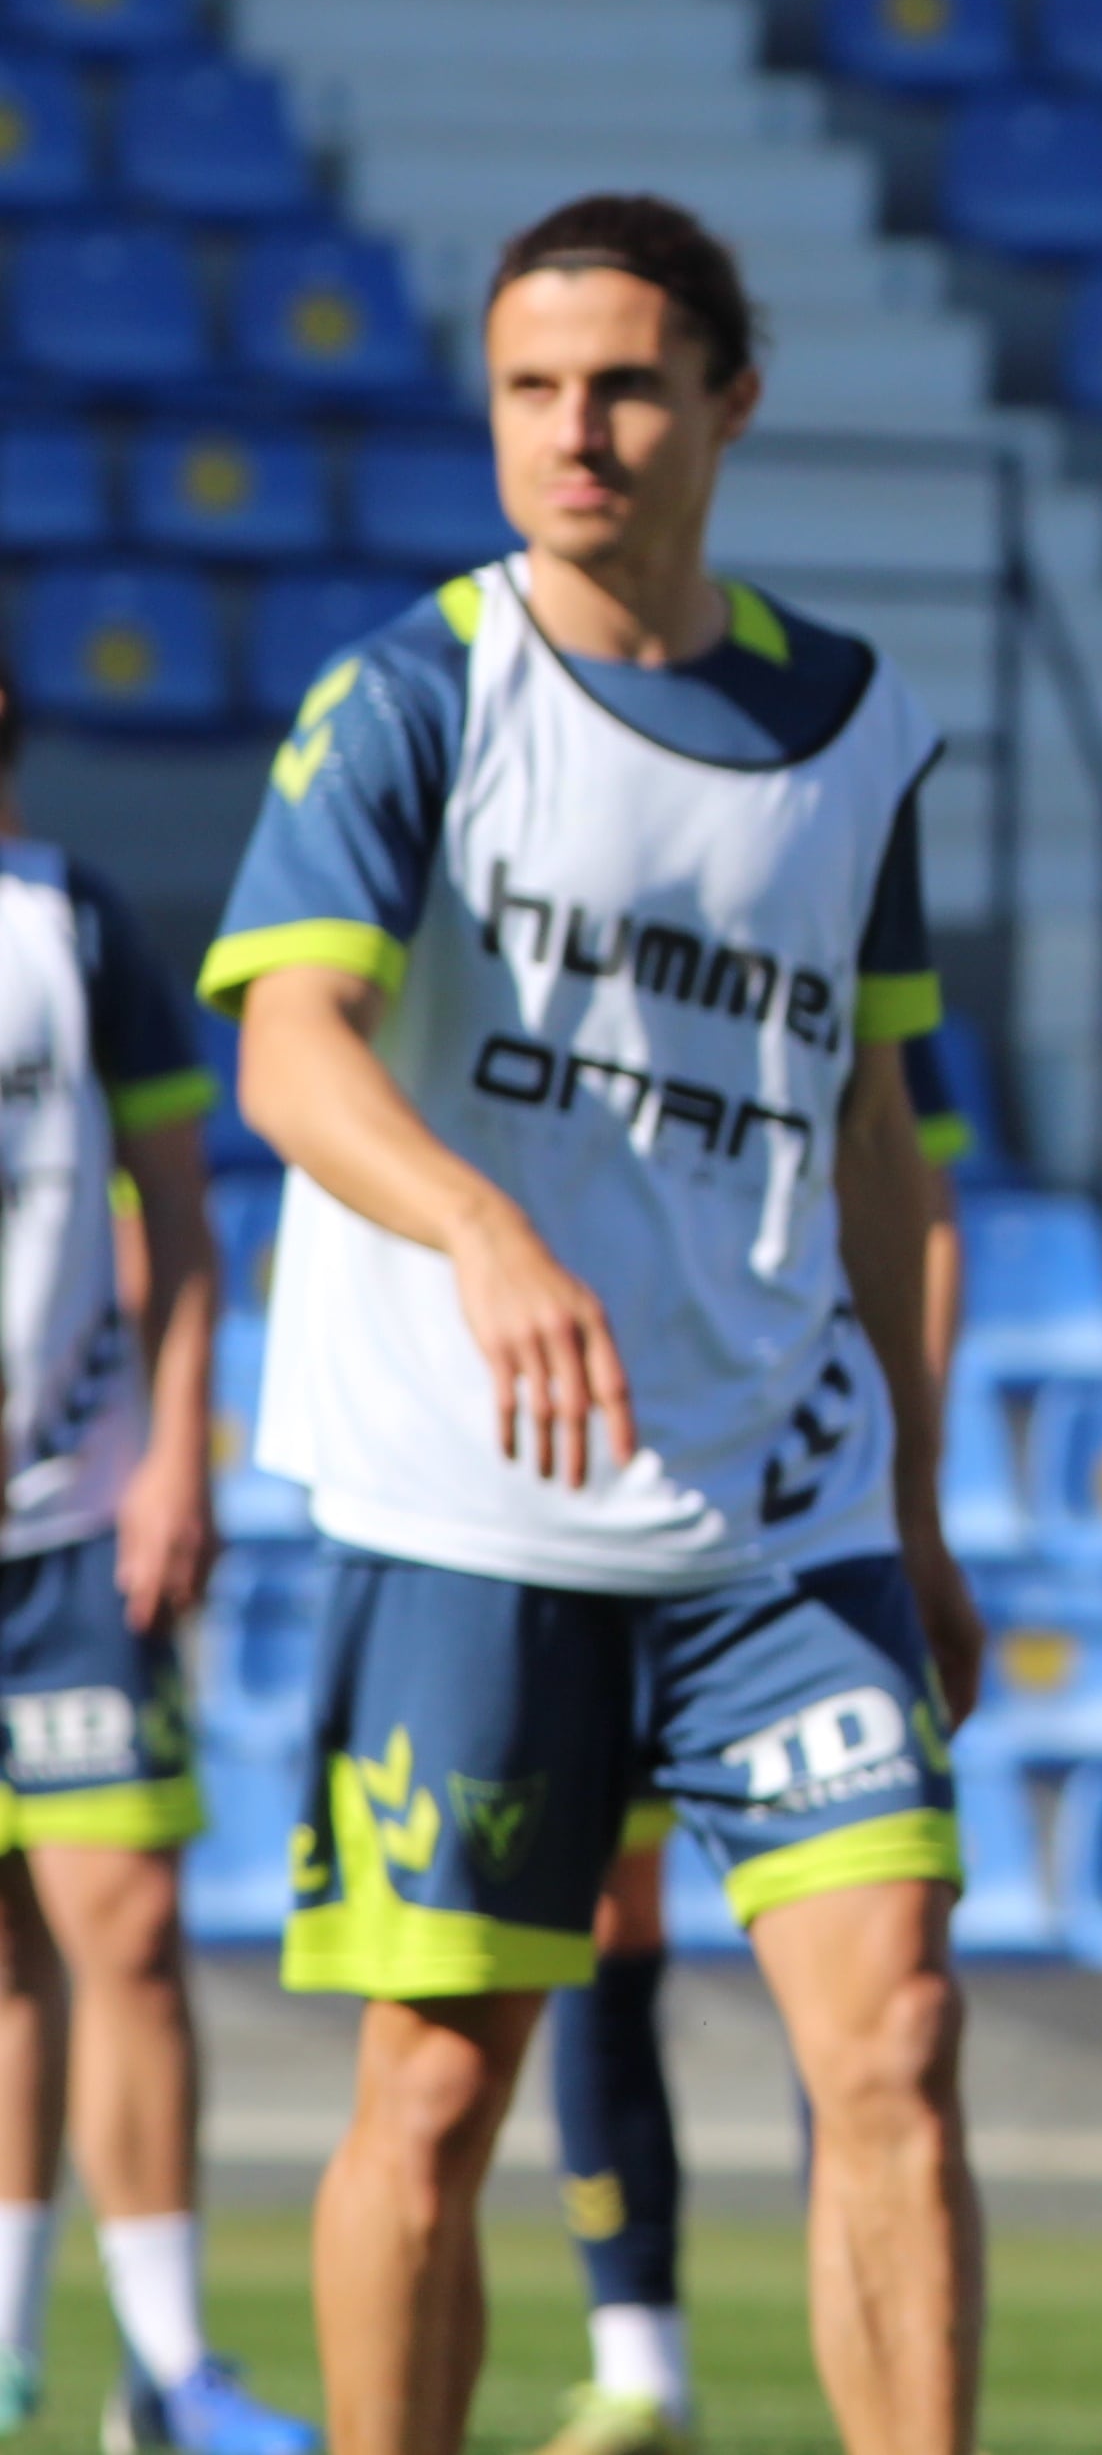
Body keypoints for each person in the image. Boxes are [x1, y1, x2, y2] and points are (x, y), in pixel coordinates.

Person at [198, 193, 988, 2455]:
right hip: (475, 1508)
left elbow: (878, 1138)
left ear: (731, 400)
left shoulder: (857, 728)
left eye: (630, 384)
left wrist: (921, 1515)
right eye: (535, 389)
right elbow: (288, 1050)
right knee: (435, 2101)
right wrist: (480, 1228)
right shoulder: (413, 690)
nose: (580, 433)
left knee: (900, 2040)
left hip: (784, 1518)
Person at [533, 1028, 978, 2455]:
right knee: (604, 1918)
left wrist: (913, 1470)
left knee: (869, 1986)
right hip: (579, 1509)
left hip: (792, 1521)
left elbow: (921, 1199)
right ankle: (639, 2359)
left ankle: (860, 2357)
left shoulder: (831, 876)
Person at [0, 665, 322, 2455]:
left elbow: (186, 1225)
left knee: (118, 1930)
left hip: (75, 1522)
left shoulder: (75, 923)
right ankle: (10, 2354)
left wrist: (174, 1457)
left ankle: (172, 2366)